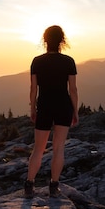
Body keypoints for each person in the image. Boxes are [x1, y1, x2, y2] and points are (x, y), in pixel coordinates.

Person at [25, 25, 78, 198]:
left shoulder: (37, 61)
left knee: (38, 149)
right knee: (59, 148)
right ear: (62, 40)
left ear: (45, 40)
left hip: (45, 106)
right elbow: (73, 89)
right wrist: (75, 111)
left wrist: (33, 108)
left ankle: (29, 185)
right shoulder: (68, 61)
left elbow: (33, 89)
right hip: (63, 106)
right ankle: (54, 186)